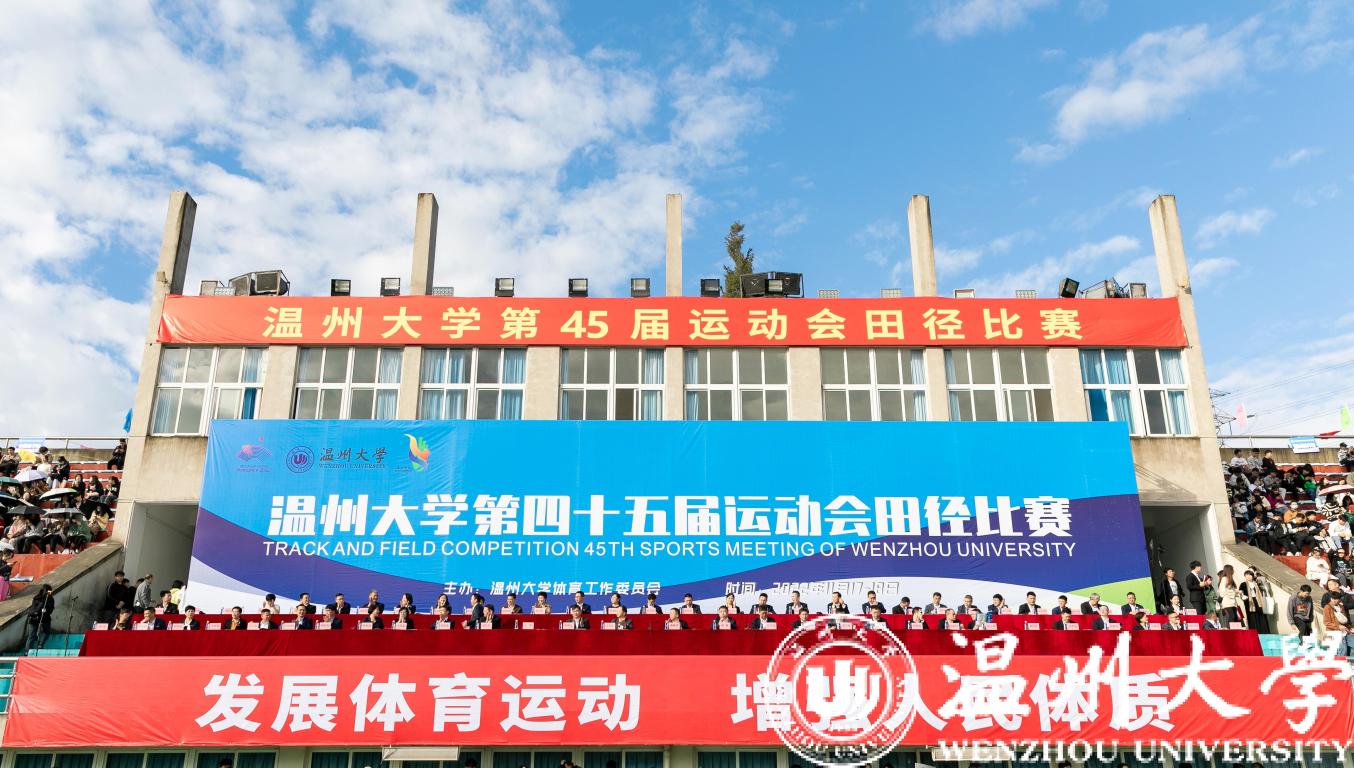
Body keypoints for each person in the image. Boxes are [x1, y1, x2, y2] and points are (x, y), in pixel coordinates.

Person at [23, 584, 55, 651]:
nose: (49, 593)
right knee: (32, 636)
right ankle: (27, 652)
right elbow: (33, 609)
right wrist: (40, 610)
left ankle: (40, 645)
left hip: (45, 618)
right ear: (45, 590)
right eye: (48, 591)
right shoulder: (37, 598)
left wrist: (46, 610)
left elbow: (51, 609)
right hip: (34, 618)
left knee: (47, 632)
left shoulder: (50, 599)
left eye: (50, 591)